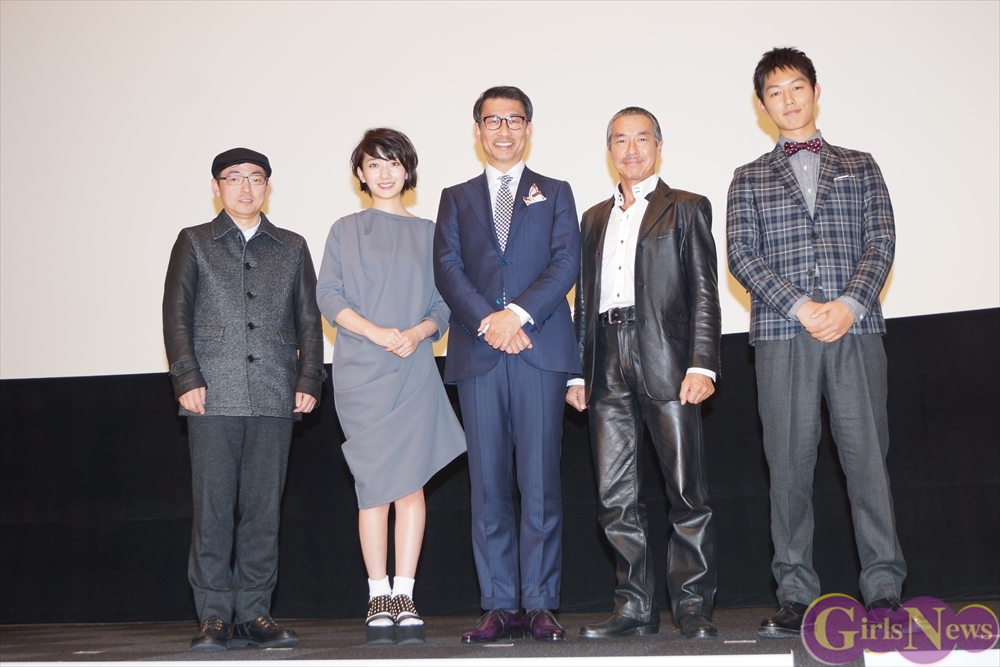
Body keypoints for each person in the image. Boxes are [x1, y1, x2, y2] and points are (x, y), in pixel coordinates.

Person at [727, 47, 906, 639]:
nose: (788, 100)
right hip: (784, 334)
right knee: (788, 466)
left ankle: (884, 590)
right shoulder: (747, 176)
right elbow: (742, 255)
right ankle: (796, 595)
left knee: (868, 463)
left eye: (796, 87)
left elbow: (881, 240)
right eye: (775, 92)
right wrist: (801, 306)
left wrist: (849, 304)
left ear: (816, 91)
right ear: (761, 105)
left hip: (856, 329)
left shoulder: (861, 164)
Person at [566, 108, 722, 641]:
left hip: (667, 357)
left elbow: (705, 292)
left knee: (686, 490)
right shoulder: (592, 218)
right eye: (620, 140)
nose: (630, 150)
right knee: (615, 494)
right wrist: (576, 372)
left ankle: (693, 605)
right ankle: (634, 605)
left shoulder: (687, 207)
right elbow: (583, 302)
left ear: (658, 144)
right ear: (609, 149)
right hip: (605, 356)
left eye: (641, 139)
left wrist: (702, 363)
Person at [433, 86, 581, 643]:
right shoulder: (455, 197)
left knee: (540, 483)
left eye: (513, 120)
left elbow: (566, 261)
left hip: (540, 349)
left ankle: (539, 604)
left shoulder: (557, 192)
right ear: (477, 130)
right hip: (479, 354)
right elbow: (447, 268)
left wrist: (515, 316)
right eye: (492, 121)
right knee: (487, 485)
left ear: (528, 129)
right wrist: (489, 322)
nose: (503, 130)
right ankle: (498, 605)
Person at [163, 147, 326, 651]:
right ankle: (214, 616)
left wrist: (309, 378)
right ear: (216, 187)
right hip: (211, 394)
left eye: (255, 178)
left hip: (275, 391)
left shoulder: (292, 245)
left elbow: (309, 319)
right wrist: (187, 377)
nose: (245, 187)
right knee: (212, 510)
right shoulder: (194, 241)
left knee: (263, 511)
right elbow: (176, 313)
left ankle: (255, 611)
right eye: (233, 178)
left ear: (267, 186)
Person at [316, 128, 466, 646]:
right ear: (360, 173)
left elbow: (444, 304)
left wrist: (418, 334)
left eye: (393, 163)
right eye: (374, 164)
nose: (384, 173)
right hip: (360, 371)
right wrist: (376, 332)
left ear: (408, 170)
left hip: (413, 367)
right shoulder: (344, 229)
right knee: (374, 486)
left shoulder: (430, 232)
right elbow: (329, 295)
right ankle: (377, 594)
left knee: (410, 485)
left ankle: (405, 593)